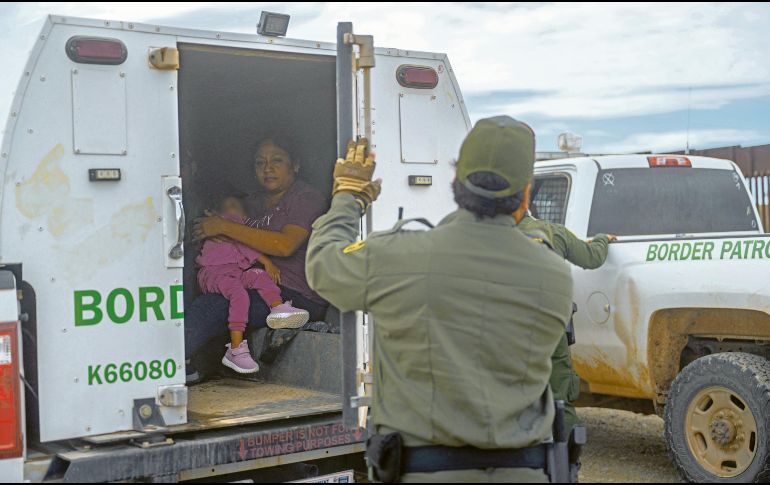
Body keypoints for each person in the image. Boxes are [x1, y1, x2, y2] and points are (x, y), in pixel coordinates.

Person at [306, 117, 573, 482]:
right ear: (526, 194)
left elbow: (324, 265)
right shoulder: (554, 273)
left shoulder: (399, 256)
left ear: (455, 182)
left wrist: (348, 198)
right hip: (525, 471)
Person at [187, 137, 328, 379]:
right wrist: (209, 230)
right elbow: (209, 228)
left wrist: (225, 227)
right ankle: (191, 363)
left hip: (295, 293)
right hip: (247, 279)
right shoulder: (250, 202)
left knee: (216, 304)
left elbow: (284, 245)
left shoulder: (305, 198)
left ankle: (167, 361)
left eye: (277, 160)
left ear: (295, 165)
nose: (267, 168)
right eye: (259, 162)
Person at [519, 209, 617, 480]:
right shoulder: (552, 232)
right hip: (552, 329)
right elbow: (592, 258)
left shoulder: (494, 237)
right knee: (562, 396)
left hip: (509, 332)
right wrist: (600, 239)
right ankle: (570, 463)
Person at [196, 194, 310, 374]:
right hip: (214, 273)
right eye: (230, 205)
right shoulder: (225, 223)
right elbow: (243, 245)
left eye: (238, 206)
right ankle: (235, 348)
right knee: (239, 295)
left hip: (234, 273)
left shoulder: (238, 227)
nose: (236, 210)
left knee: (259, 276)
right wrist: (266, 260)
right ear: (217, 212)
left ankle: (278, 307)